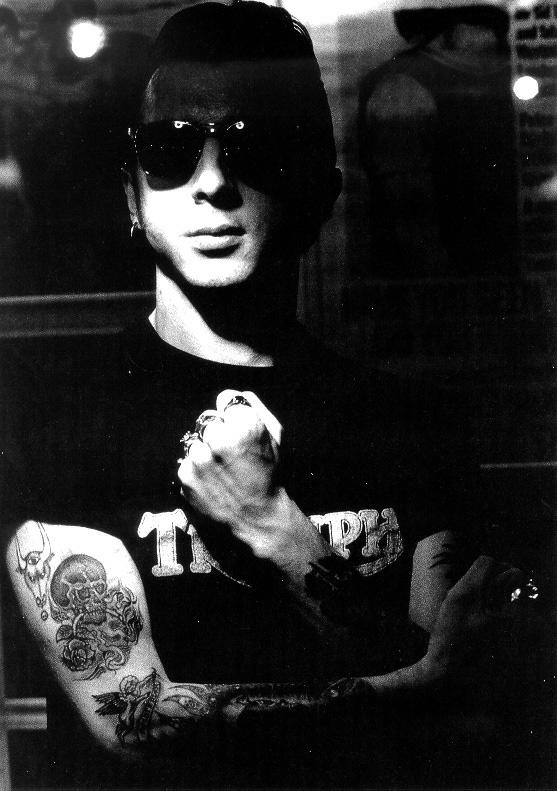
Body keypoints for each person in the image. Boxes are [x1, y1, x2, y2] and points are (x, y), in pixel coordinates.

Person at [2, 3, 536, 788]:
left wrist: (275, 530)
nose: (213, 182)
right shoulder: (52, 414)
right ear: (131, 197)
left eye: (254, 147)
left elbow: (460, 729)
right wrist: (417, 685)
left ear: (319, 190)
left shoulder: (415, 421)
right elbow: (135, 719)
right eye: (170, 148)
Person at [358, 4, 519, 278]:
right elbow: (409, 210)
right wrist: (438, 279)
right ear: (452, 30)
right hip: (448, 280)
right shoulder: (402, 87)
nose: (497, 35)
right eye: (484, 22)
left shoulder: (492, 77)